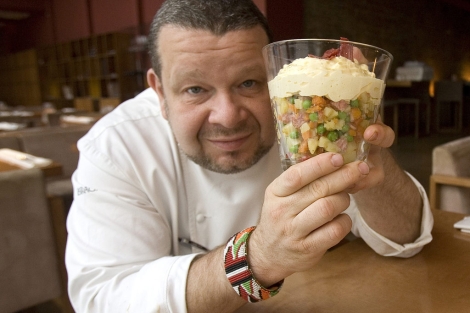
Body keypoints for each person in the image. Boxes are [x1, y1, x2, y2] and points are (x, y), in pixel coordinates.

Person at [65, 0, 433, 312]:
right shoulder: (117, 146)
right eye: (195, 89)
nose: (227, 116)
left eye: (248, 83)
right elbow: (102, 297)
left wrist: (370, 161)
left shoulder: (302, 116)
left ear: (275, 76)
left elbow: (408, 239)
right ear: (159, 92)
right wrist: (253, 259)